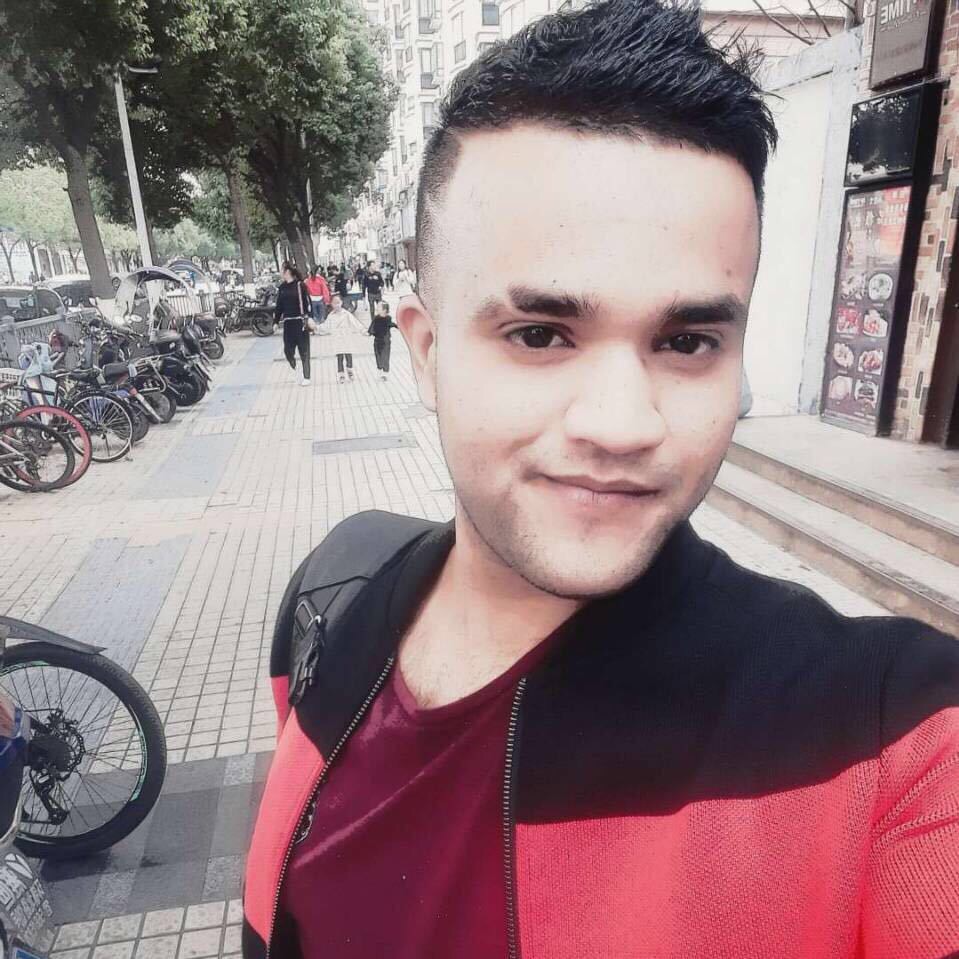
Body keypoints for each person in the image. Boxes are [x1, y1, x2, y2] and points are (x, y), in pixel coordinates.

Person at [244, 1, 959, 957]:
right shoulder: (331, 599)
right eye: (540, 334)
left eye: (686, 341)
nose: (623, 425)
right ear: (424, 351)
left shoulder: (890, 732)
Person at [273, 261, 312, 386]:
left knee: (304, 350)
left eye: (282, 270)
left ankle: (307, 376)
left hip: (300, 321)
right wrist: (275, 321)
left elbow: (308, 303)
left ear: (287, 271)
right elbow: (279, 306)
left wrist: (309, 317)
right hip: (288, 323)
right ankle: (295, 367)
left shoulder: (300, 285)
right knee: (288, 350)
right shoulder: (282, 288)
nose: (280, 272)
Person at [322, 294, 370, 383]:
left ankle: (350, 371)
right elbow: (325, 326)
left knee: (348, 355)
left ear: (341, 303)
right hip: (337, 339)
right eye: (334, 303)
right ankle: (341, 375)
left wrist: (363, 330)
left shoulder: (347, 314)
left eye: (338, 302)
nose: (337, 305)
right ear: (331, 304)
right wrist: (316, 328)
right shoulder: (331, 316)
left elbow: (355, 323)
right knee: (339, 357)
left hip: (347, 337)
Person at [368, 299, 397, 380]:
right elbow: (372, 327)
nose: (377, 308)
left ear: (384, 310)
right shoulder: (376, 318)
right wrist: (369, 333)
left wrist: (398, 326)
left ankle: (385, 373)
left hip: (386, 341)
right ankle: (380, 370)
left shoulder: (388, 318)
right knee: (378, 356)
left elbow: (391, 324)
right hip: (377, 341)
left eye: (379, 307)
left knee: (386, 356)